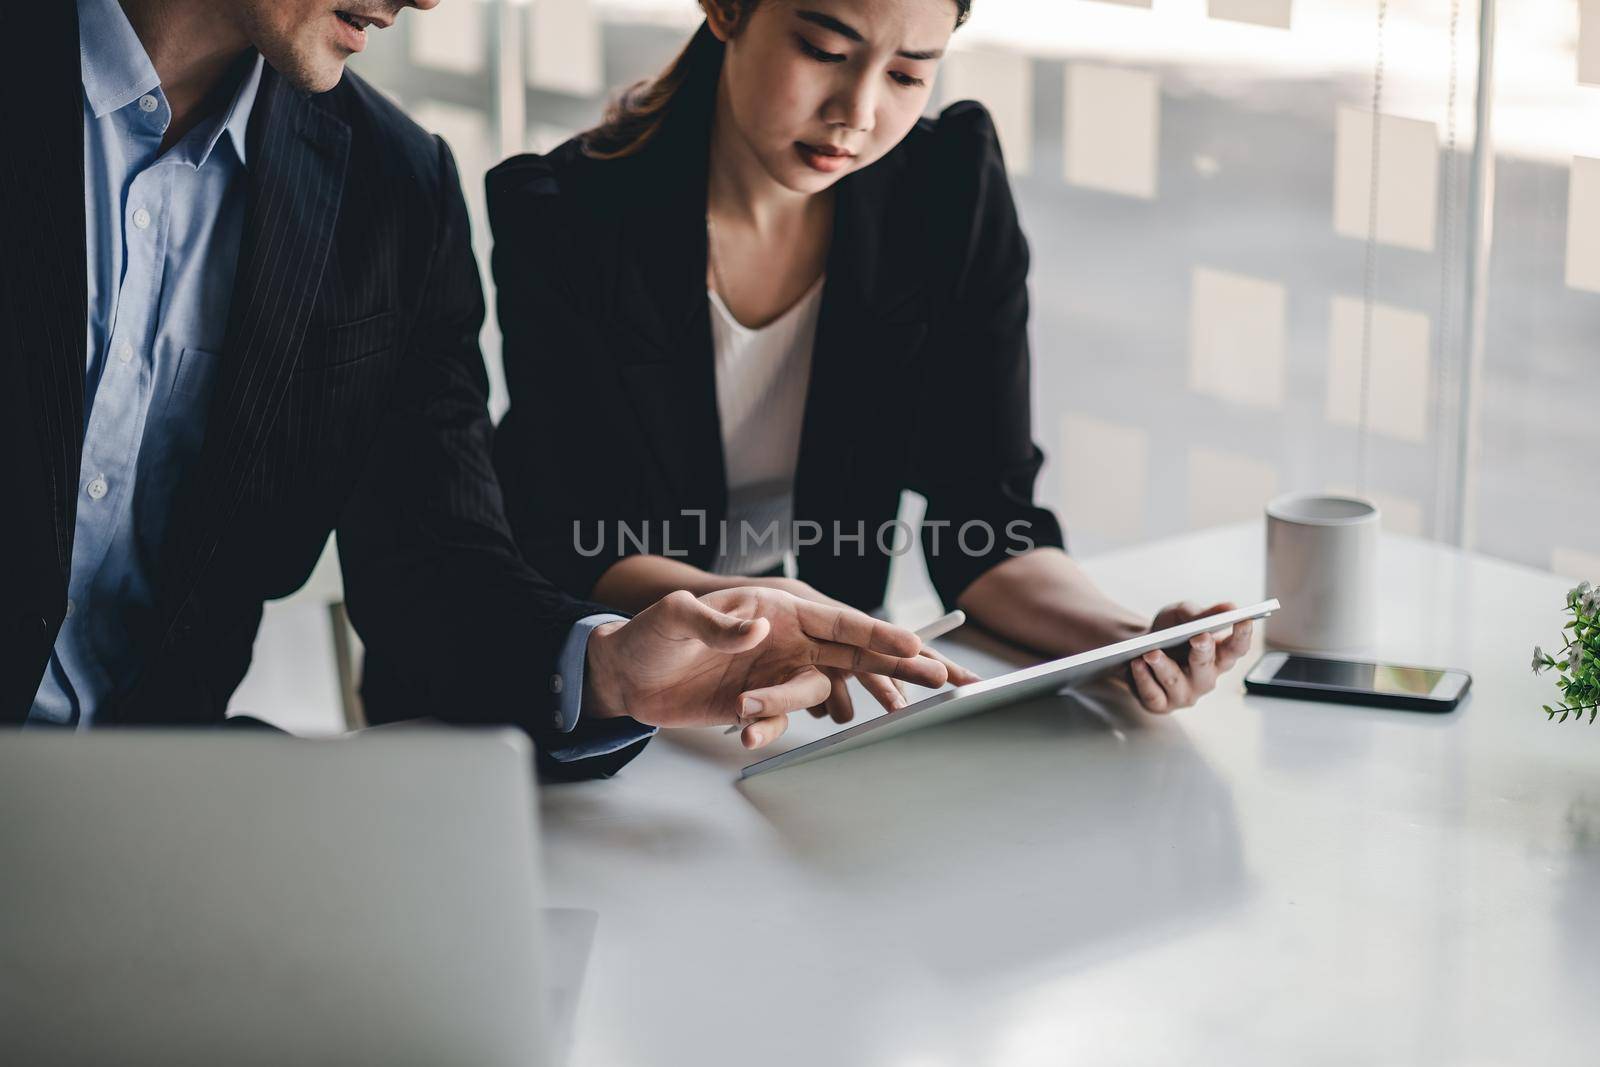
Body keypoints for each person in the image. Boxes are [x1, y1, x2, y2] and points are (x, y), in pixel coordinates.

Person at [0, 0, 947, 779]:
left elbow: (434, 558)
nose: (426, 0)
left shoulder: (392, 187)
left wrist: (609, 666)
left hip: (154, 816)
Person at [486, 0, 1254, 728]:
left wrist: (1125, 640)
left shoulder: (945, 189)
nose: (856, 112)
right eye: (824, 51)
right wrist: (761, 608)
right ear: (724, 8)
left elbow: (984, 521)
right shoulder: (566, 216)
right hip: (593, 692)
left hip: (803, 694)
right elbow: (572, 536)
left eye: (908, 73)